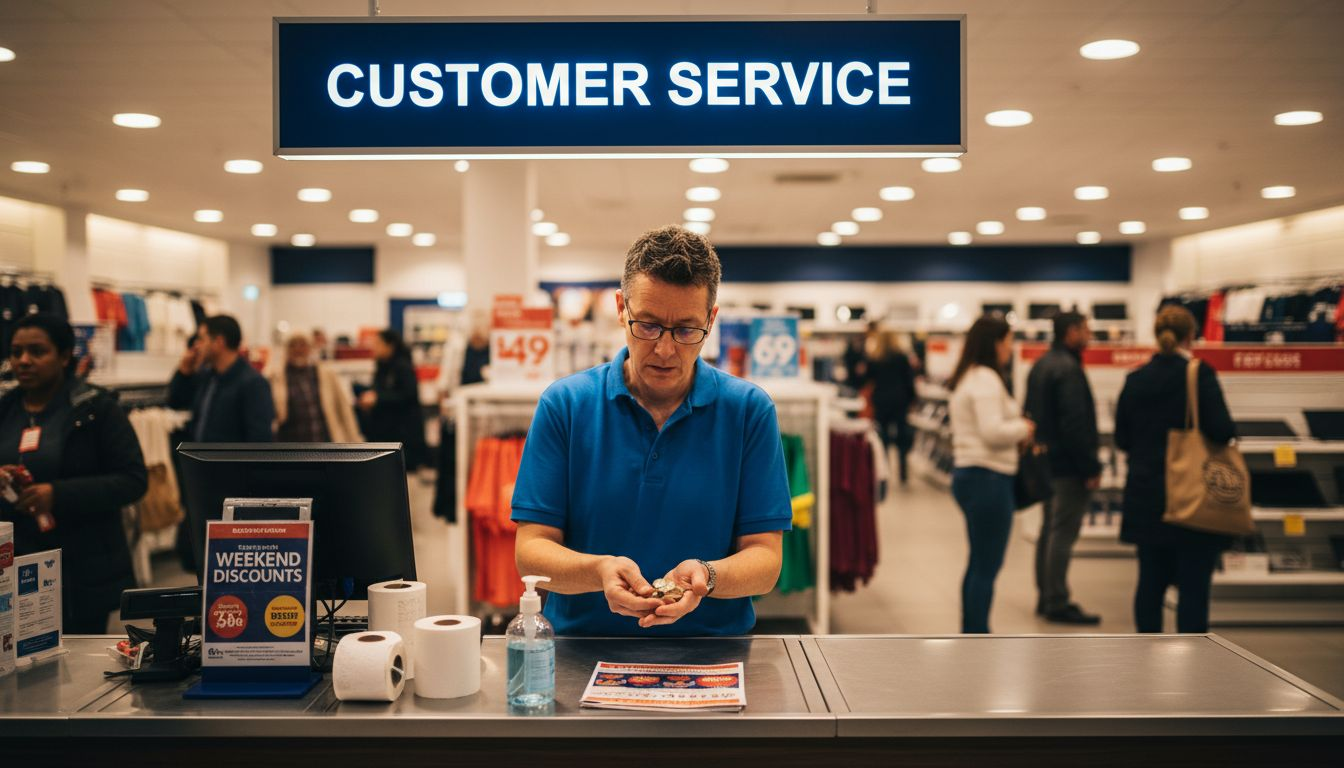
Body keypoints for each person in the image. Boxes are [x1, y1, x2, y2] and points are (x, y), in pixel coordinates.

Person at [511, 225, 793, 636]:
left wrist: (706, 577)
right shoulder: (565, 405)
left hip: (713, 655)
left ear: (711, 321)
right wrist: (599, 570)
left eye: (685, 330)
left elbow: (765, 562)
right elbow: (531, 552)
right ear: (621, 308)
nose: (664, 349)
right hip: (583, 650)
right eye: (647, 325)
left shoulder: (748, 411)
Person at [0, 314, 148, 633]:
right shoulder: (5, 409)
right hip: (12, 567)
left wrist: (57, 494)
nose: (23, 361)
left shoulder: (96, 408)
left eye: (37, 351)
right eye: (16, 352)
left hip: (80, 569)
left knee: (74, 671)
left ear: (65, 356)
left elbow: (133, 480)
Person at [1114, 306, 1236, 633]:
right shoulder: (1200, 375)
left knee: (1149, 583)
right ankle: (1192, 659)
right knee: (1194, 587)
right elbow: (1222, 429)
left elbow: (1122, 438)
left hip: (1147, 494)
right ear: (1190, 335)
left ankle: (1145, 654)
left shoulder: (1135, 379)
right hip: (1191, 495)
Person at [947, 315, 1034, 634]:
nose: (1011, 349)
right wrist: (1023, 427)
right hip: (989, 479)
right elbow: (992, 431)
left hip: (974, 477)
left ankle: (973, 630)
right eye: (1009, 341)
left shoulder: (969, 376)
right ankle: (977, 634)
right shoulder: (985, 379)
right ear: (995, 342)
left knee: (978, 561)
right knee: (987, 565)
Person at [1024, 311, 1103, 625]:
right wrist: (1089, 466)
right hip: (1068, 466)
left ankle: (1045, 595)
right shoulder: (1069, 369)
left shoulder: (1042, 365)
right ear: (1070, 332)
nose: (1090, 334)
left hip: (1045, 462)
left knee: (1049, 529)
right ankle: (1057, 600)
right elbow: (1074, 424)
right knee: (1062, 532)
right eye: (1085, 329)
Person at [169, 315, 275, 443]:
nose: (197, 345)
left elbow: (259, 440)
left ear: (219, 342)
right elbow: (175, 403)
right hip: (201, 461)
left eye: (202, 339)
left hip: (230, 462)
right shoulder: (208, 377)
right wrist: (184, 372)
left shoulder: (253, 383)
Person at [267, 333, 363, 442]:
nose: (298, 349)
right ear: (286, 349)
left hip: (325, 446)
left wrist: (355, 440)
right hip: (290, 448)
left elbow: (344, 410)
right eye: (293, 345)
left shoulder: (326, 374)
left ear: (310, 348)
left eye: (302, 345)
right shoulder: (276, 377)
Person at [358, 329, 427, 469]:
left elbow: (408, 394)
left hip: (402, 433)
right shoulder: (382, 366)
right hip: (386, 431)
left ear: (390, 345)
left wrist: (377, 398)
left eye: (378, 343)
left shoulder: (402, 366)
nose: (374, 348)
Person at [860, 330, 917, 483]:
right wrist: (912, 399)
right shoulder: (902, 358)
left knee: (882, 435)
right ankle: (903, 471)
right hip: (900, 400)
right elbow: (909, 380)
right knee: (902, 435)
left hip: (881, 400)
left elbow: (866, 379)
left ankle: (884, 471)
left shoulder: (875, 358)